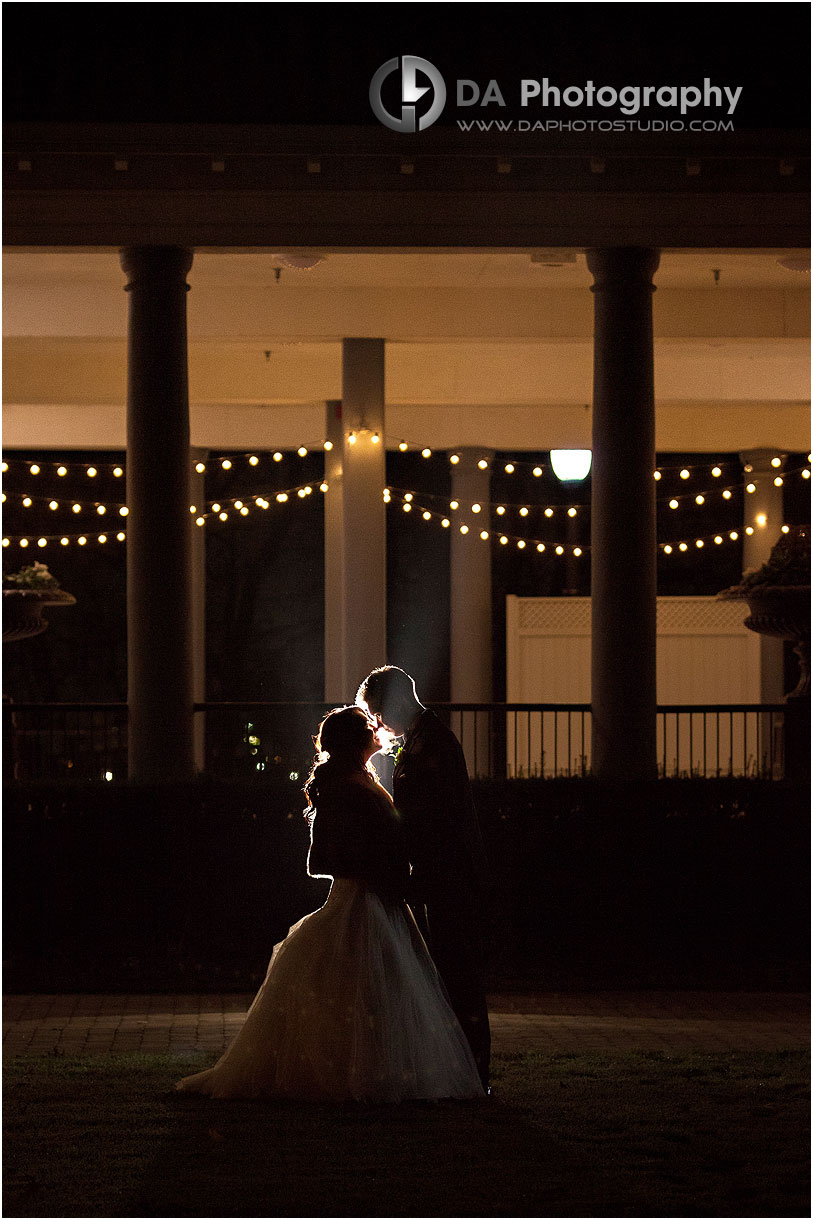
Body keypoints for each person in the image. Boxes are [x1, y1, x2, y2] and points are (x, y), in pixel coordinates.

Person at [176, 705, 483, 1104]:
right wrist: (379, 871)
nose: (378, 727)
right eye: (368, 725)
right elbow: (320, 860)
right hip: (363, 901)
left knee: (383, 994)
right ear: (356, 740)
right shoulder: (344, 789)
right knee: (366, 991)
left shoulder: (360, 780)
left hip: (383, 900)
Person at [356, 666, 492, 1090]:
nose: (379, 724)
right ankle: (463, 1069)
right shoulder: (424, 738)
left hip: (449, 875)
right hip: (441, 874)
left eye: (378, 712)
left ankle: (474, 1071)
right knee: (449, 971)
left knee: (459, 973)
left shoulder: (431, 744)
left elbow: (434, 817)